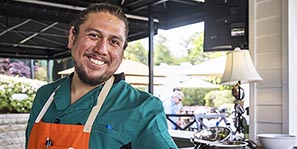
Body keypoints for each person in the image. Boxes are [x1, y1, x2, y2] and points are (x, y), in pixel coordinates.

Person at [25, 3, 178, 149]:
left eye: (114, 42)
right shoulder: (44, 96)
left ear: (122, 51)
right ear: (72, 37)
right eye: (93, 35)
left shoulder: (142, 108)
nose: (102, 49)